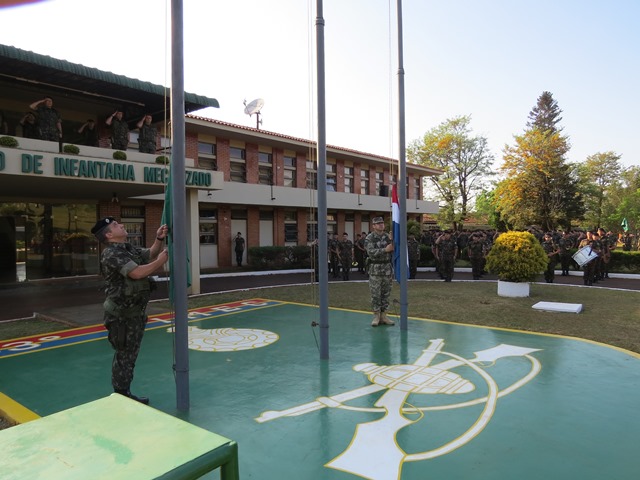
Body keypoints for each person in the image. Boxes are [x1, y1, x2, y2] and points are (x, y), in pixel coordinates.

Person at [91, 217, 169, 404]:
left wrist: (158, 239)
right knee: (124, 356)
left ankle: (123, 393)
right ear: (109, 235)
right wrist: (161, 262)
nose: (122, 225)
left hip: (133, 314)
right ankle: (121, 395)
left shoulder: (126, 248)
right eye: (116, 225)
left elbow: (149, 254)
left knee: (129, 355)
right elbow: (137, 273)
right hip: (121, 317)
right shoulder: (111, 253)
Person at [364, 216, 394, 327]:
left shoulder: (388, 237)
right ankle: (376, 316)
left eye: (382, 223)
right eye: (378, 223)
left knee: (386, 294)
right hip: (375, 269)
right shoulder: (370, 238)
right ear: (374, 226)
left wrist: (393, 239)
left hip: (387, 269)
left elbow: (395, 248)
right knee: (376, 294)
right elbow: (371, 252)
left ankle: (384, 315)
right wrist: (385, 250)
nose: (381, 225)